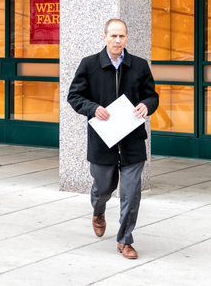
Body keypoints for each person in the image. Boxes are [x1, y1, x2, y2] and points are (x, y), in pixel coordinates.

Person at [68, 19, 159, 260]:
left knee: (131, 193)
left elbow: (153, 97)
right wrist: (92, 108)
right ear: (105, 37)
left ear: (126, 38)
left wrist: (146, 106)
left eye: (122, 36)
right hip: (102, 140)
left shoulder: (139, 65)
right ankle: (98, 211)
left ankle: (125, 240)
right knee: (103, 188)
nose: (118, 41)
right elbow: (74, 96)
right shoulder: (89, 65)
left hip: (132, 141)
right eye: (113, 36)